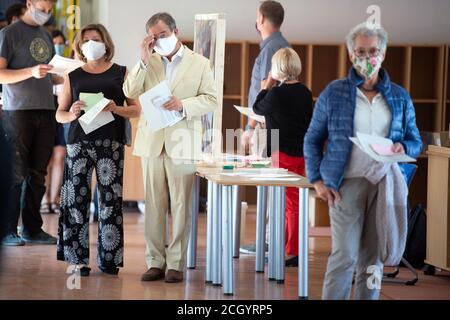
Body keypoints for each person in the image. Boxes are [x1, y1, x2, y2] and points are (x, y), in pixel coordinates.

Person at [304, 22, 423, 300]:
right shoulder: (335, 93)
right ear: (350, 54)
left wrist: (402, 145)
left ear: (382, 54)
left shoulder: (399, 97)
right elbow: (312, 139)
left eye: (373, 51)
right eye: (360, 51)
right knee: (344, 255)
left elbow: (415, 141)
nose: (367, 57)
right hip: (345, 184)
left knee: (373, 259)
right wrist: (317, 180)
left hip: (384, 185)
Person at [123, 12, 217, 283]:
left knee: (181, 205)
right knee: (153, 204)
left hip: (183, 140)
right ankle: (155, 261)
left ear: (175, 30)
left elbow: (211, 99)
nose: (159, 40)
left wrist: (183, 105)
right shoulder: (147, 61)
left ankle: (175, 263)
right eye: (154, 37)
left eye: (163, 34)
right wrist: (142, 58)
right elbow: (130, 89)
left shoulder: (199, 63)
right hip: (152, 140)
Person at [56, 23, 140, 276]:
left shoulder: (122, 72)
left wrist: (116, 108)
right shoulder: (72, 75)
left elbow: (136, 109)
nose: (91, 43)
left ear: (106, 42)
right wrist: (70, 113)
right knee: (75, 202)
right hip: (78, 143)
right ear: (80, 46)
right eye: (86, 40)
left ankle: (110, 259)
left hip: (110, 143)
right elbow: (59, 114)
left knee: (110, 202)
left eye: (96, 38)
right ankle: (77, 259)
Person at [0, 0, 59, 246]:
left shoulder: (45, 35)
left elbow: (49, 74)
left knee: (38, 173)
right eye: (41, 8)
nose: (45, 14)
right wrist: (30, 72)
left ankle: (32, 228)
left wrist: (67, 73)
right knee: (16, 173)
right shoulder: (8, 34)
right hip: (18, 111)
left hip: (46, 109)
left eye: (49, 10)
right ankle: (7, 230)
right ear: (29, 3)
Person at [252, 48, 312, 267]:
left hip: (282, 152)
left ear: (276, 69)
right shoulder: (305, 92)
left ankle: (292, 250)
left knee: (289, 204)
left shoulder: (276, 94)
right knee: (291, 202)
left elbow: (257, 108)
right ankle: (287, 247)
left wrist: (266, 86)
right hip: (301, 152)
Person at [239, 0, 290, 255]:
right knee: (270, 184)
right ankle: (270, 240)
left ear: (261, 19)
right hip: (271, 124)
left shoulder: (272, 48)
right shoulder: (278, 45)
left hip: (265, 125)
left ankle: (269, 241)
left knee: (268, 184)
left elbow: (265, 90)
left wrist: (249, 126)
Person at [39, 29, 67, 214]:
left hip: (62, 115)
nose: (58, 46)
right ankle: (43, 198)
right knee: (44, 159)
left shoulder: (68, 64)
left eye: (61, 43)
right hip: (46, 114)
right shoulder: (42, 65)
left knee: (59, 156)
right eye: (55, 43)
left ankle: (54, 199)